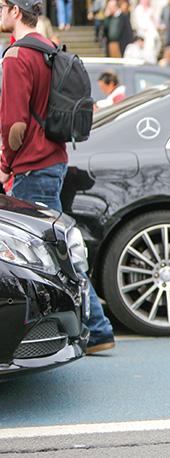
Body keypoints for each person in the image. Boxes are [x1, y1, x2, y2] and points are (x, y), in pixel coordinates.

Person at [0, 0, 115, 355]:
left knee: (48, 256)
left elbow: (14, 125)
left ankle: (95, 330)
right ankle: (96, 329)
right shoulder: (48, 49)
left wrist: (4, 163)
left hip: (32, 166)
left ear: (15, 11)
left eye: (1, 6)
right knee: (58, 250)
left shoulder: (17, 56)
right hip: (54, 159)